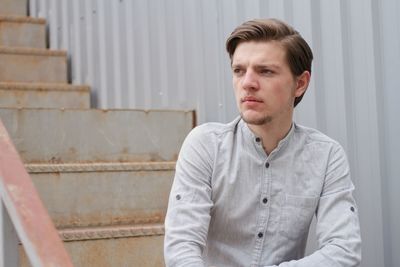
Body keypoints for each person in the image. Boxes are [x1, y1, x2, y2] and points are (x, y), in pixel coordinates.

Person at [164, 18, 361, 267]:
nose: (247, 83)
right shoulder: (205, 145)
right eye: (239, 70)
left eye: (265, 71)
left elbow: (344, 249)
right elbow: (182, 247)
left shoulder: (326, 156)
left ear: (300, 84)